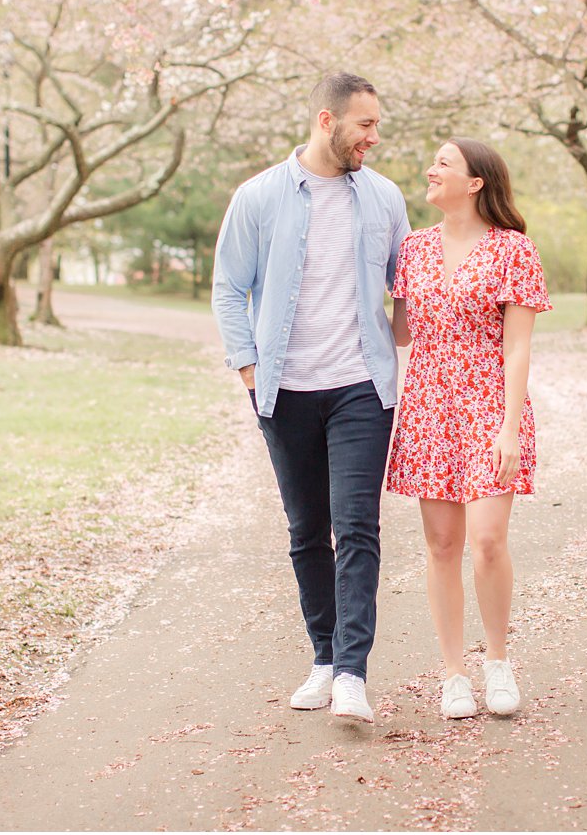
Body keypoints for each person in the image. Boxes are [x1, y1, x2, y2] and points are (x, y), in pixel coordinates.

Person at [211, 72, 410, 724]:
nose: (374, 137)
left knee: (356, 526)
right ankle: (323, 657)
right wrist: (248, 369)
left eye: (377, 125)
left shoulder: (384, 198)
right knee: (306, 531)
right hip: (284, 390)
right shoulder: (261, 196)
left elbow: (406, 287)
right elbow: (228, 287)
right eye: (365, 125)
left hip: (360, 386)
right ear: (327, 121)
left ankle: (352, 672)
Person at [386, 137, 551, 720]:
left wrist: (510, 428)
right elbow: (401, 334)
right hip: (429, 405)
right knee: (441, 544)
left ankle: (498, 662)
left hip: (488, 405)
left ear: (475, 182)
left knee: (486, 540)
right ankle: (453, 674)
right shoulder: (413, 249)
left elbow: (518, 346)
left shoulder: (514, 250)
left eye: (443, 163)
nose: (430, 170)